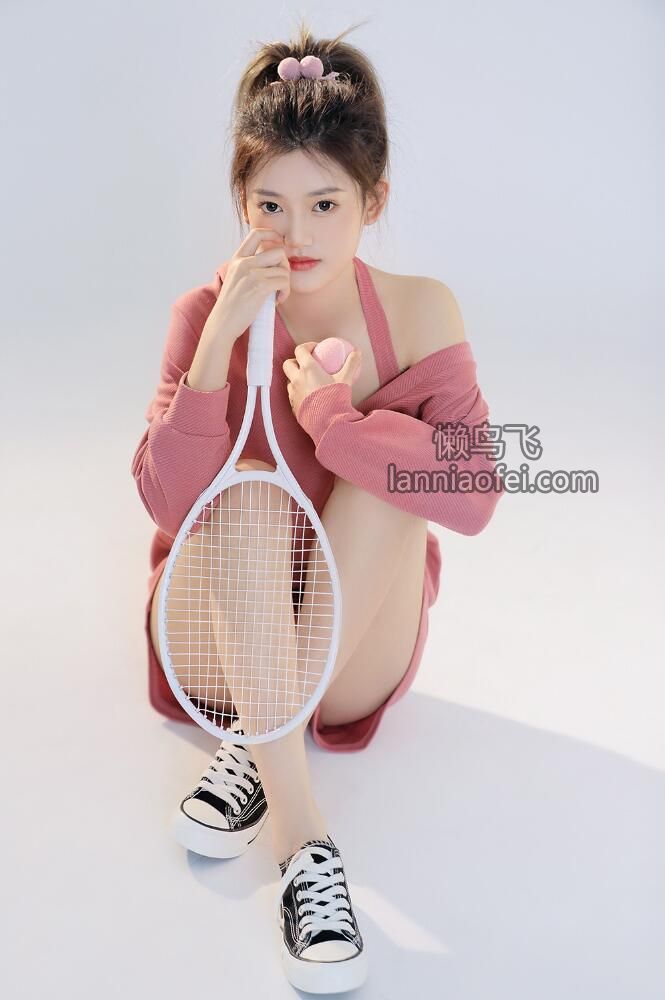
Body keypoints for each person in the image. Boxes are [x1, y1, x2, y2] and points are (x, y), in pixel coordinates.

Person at [130, 18, 505, 993]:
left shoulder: (419, 312)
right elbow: (166, 503)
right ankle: (304, 845)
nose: (295, 236)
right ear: (240, 202)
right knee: (244, 502)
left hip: (351, 643)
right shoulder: (203, 313)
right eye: (270, 205)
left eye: (325, 204)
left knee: (395, 485)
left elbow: (474, 494)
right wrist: (214, 350)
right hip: (215, 641)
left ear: (372, 201)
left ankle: (256, 751)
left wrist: (339, 427)